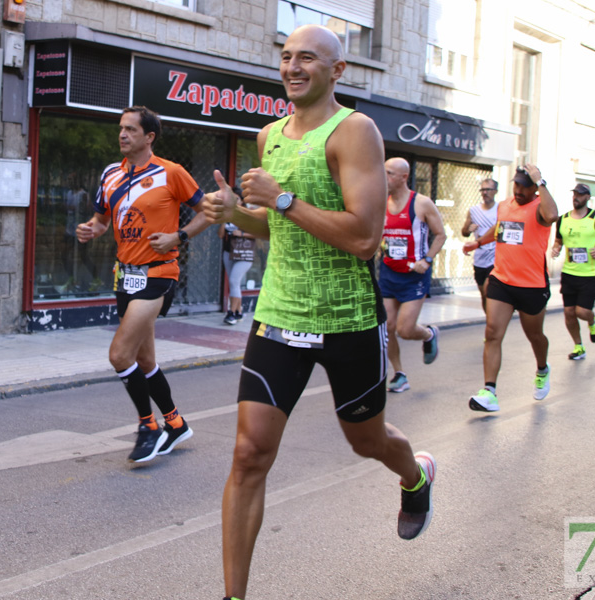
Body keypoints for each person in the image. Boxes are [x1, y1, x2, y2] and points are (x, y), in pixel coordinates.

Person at [201, 25, 435, 600]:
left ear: (337, 69)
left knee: (368, 441)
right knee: (249, 452)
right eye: (285, 57)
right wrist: (237, 211)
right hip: (280, 313)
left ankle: (416, 474)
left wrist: (280, 197)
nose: (292, 67)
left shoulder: (355, 131)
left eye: (307, 57)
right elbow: (275, 228)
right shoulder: (269, 135)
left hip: (349, 320)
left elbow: (362, 238)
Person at [76, 105, 213, 463]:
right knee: (145, 359)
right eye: (121, 129)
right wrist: (92, 229)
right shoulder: (110, 174)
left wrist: (177, 236)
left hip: (159, 273)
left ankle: (148, 427)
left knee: (120, 355)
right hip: (125, 276)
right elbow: (102, 219)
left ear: (149, 137)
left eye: (131, 130)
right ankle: (176, 422)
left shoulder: (172, 173)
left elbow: (207, 213)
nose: (123, 135)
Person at [461, 165, 559, 411]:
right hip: (502, 279)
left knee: (535, 336)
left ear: (535, 187)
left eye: (526, 186)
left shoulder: (540, 207)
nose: (519, 190)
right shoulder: (505, 205)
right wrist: (478, 243)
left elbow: (553, 215)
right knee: (493, 332)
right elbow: (500, 229)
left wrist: (542, 181)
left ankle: (542, 369)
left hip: (532, 285)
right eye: (516, 184)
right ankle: (489, 391)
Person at [380, 157, 445, 393]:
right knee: (387, 327)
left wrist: (426, 260)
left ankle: (428, 334)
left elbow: (440, 235)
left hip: (413, 276)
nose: (384, 177)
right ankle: (399, 374)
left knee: (405, 330)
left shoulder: (422, 203)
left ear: (403, 177)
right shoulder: (382, 202)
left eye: (389, 173)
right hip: (389, 272)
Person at [550, 183, 595, 360]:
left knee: (582, 312)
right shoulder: (563, 219)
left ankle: (592, 321)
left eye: (580, 195)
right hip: (569, 273)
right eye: (574, 194)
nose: (576, 197)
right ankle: (578, 346)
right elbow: (558, 240)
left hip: (591, 274)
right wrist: (556, 248)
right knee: (569, 313)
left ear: (588, 197)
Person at [461, 178, 499, 312]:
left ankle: (493, 323)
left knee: (489, 290)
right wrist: (469, 229)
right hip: (480, 258)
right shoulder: (474, 210)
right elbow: (464, 232)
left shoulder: (500, 209)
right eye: (482, 189)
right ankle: (490, 320)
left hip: (495, 257)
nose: (485, 193)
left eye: (488, 189)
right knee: (484, 295)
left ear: (495, 191)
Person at [220, 187, 255, 325]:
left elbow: (258, 234)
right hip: (229, 252)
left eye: (237, 199)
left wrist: (241, 234)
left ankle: (232, 312)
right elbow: (220, 235)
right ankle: (239, 312)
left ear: (242, 200)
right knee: (235, 283)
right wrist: (224, 219)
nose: (234, 201)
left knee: (234, 281)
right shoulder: (228, 214)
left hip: (244, 254)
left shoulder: (248, 215)